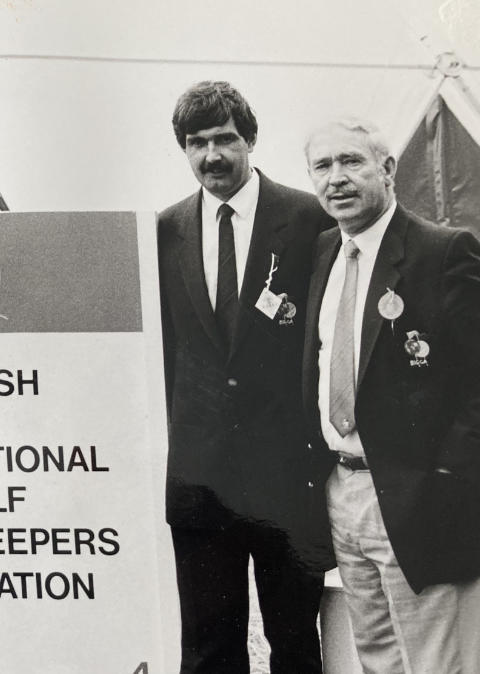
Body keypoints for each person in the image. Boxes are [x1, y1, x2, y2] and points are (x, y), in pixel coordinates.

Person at [302, 117, 480, 673]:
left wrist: (450, 471)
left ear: (387, 167)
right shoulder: (324, 253)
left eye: (351, 161)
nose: (337, 178)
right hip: (345, 494)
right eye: (323, 166)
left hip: (425, 501)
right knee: (380, 661)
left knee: (439, 665)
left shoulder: (443, 252)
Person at [156, 80, 334, 673]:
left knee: (295, 644)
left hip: (286, 481)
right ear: (184, 149)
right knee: (209, 650)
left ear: (250, 139)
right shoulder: (163, 231)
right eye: (197, 142)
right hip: (202, 483)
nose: (213, 155)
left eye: (225, 139)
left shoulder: (309, 221)